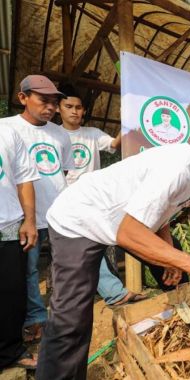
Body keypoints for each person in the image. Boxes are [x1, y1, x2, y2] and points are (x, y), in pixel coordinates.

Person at [35, 109, 190, 379]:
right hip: (79, 221)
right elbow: (129, 232)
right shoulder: (176, 167)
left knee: (174, 267)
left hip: (115, 221)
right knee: (71, 320)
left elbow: (161, 211)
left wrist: (168, 251)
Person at [0, 75, 74, 343]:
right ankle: (35, 318)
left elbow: (63, 171)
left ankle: (65, 316)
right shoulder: (7, 128)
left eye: (54, 102)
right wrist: (27, 216)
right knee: (29, 270)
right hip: (24, 216)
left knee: (65, 265)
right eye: (44, 100)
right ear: (23, 97)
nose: (51, 108)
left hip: (60, 213)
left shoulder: (60, 134)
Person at [58, 85, 144, 306]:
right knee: (85, 245)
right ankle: (114, 292)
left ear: (84, 111)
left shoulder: (92, 134)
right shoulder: (53, 134)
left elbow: (115, 144)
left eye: (78, 107)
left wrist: (129, 120)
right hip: (64, 200)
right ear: (59, 109)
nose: (74, 111)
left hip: (92, 200)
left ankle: (110, 291)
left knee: (94, 245)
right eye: (68, 106)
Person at [0, 127, 40, 370]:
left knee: (11, 295)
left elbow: (24, 179)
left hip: (8, 224)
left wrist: (30, 220)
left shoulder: (7, 132)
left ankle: (10, 352)